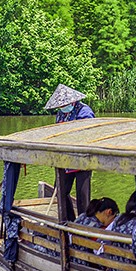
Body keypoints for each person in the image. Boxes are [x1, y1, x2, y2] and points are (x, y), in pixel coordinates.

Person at [44, 83, 95, 221]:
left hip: (82, 160)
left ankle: (84, 224)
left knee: (82, 196)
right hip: (64, 160)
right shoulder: (61, 113)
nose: (61, 108)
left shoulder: (84, 112)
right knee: (60, 191)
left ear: (71, 101)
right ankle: (69, 221)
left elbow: (89, 133)